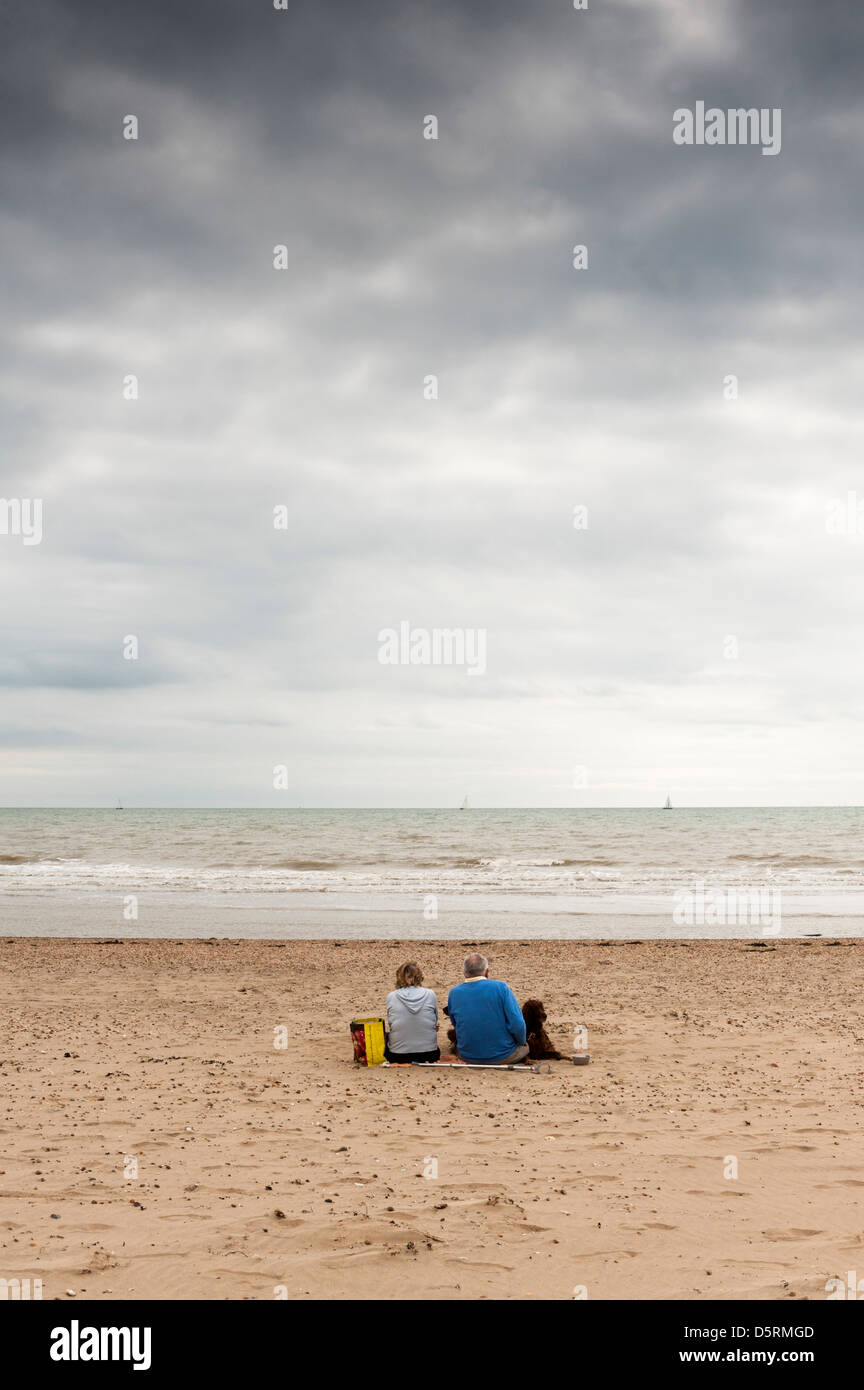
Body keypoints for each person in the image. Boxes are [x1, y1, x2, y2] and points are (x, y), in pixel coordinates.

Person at [446, 952, 528, 1065]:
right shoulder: (501, 987)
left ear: (464, 973)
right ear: (487, 972)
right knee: (525, 1047)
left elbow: (456, 1023)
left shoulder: (454, 993)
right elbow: (518, 1024)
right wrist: (521, 1042)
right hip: (503, 1055)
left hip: (467, 1056)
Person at [384, 961, 440, 1063]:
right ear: (419, 976)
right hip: (429, 1054)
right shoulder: (430, 994)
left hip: (398, 1055)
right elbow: (435, 1021)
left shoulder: (392, 996)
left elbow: (392, 1024)